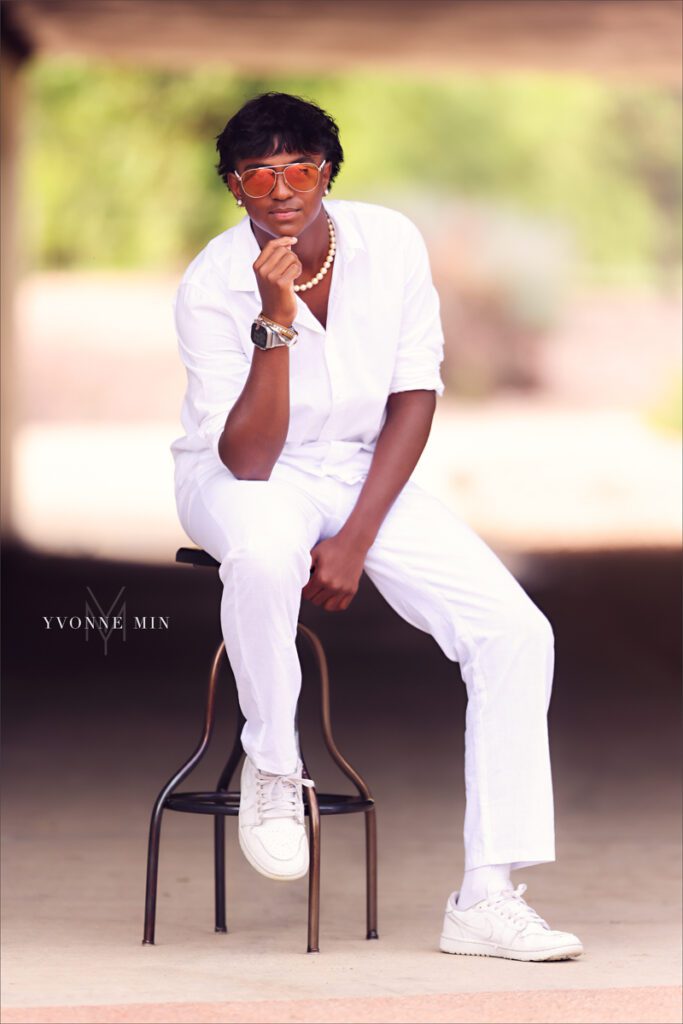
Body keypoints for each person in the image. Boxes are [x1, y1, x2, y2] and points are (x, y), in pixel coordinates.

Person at [170, 91, 583, 962]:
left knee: (514, 631)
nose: (282, 188)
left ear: (327, 171)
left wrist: (356, 539)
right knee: (262, 547)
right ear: (233, 187)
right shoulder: (210, 283)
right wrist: (274, 322)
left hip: (362, 470)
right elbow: (247, 459)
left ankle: (486, 896)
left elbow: (412, 397)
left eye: (300, 167)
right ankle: (275, 768)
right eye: (257, 173)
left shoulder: (389, 241)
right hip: (246, 475)